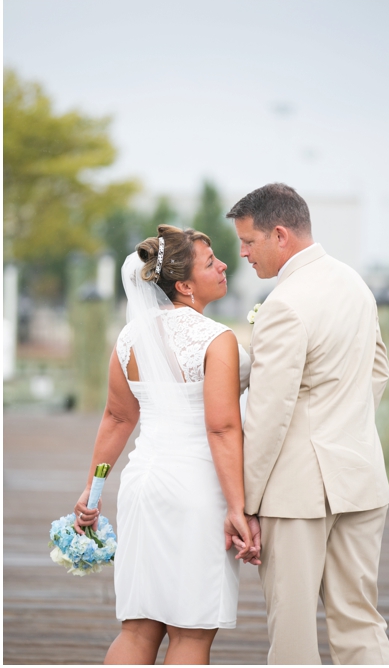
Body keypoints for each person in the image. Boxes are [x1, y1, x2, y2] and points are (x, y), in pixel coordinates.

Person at [74, 225, 259, 664]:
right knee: (191, 635)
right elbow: (222, 429)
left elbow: (118, 418)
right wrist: (238, 508)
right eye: (210, 261)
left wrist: (92, 489)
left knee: (137, 630)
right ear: (184, 285)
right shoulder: (217, 339)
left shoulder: (129, 338)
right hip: (198, 488)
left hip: (143, 486)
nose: (223, 264)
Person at [228, 182, 389, 665]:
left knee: (293, 634)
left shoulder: (284, 304)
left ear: (280, 235)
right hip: (360, 475)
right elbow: (378, 369)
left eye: (248, 241)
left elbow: (269, 412)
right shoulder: (353, 283)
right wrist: (345, 421)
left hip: (297, 492)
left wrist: (248, 503)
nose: (241, 253)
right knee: (361, 623)